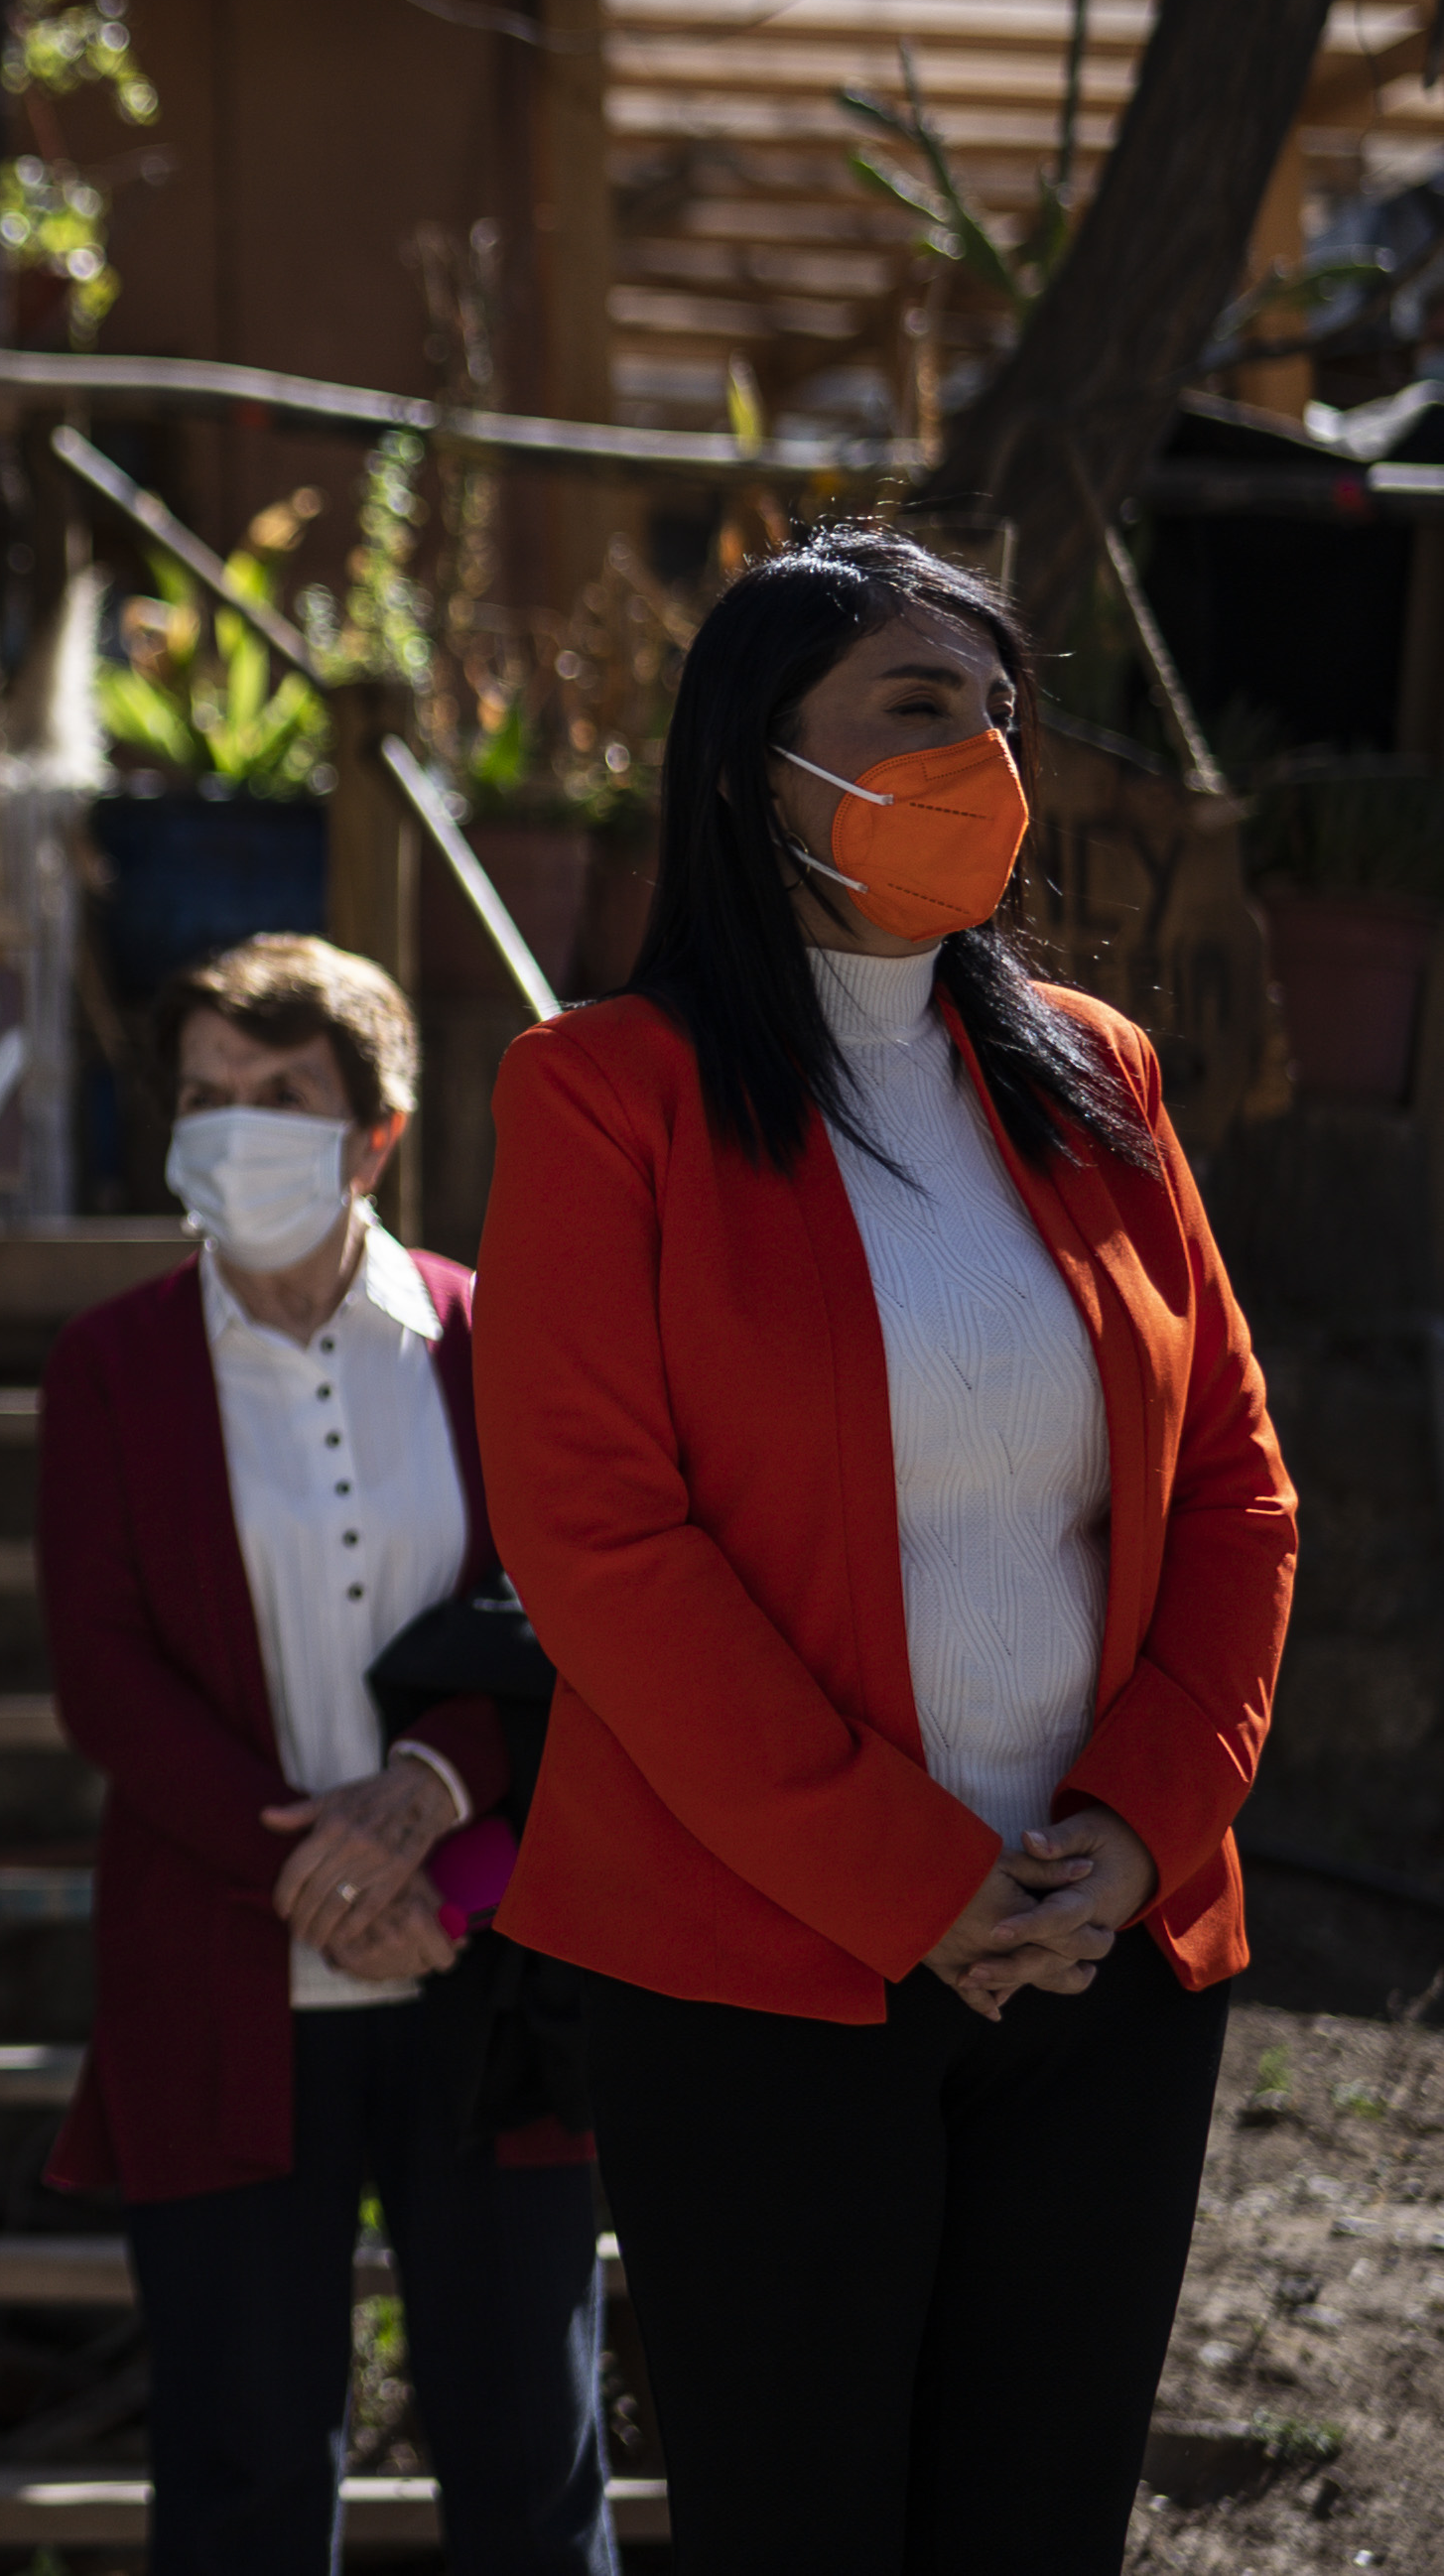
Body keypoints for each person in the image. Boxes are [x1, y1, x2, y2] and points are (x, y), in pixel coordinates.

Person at [477, 526, 1298, 2573]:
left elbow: (1230, 1487)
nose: (982, 754)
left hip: (1097, 1959)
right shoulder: (601, 1095)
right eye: (913, 706)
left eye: (993, 706)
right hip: (762, 1966)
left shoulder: (1093, 1076)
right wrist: (910, 1880)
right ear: (755, 763)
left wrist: (1131, 1832)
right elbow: (597, 1545)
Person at [38, 933, 611, 2576]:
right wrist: (314, 1867)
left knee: (528, 2466)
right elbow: (104, 1675)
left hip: (479, 1968)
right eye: (203, 1094)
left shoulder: (493, 1335)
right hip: (222, 1976)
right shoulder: (108, 1364)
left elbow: (558, 1606)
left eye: (276, 1093)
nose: (230, 1128)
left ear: (372, 1128)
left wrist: (419, 1798)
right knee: (238, 2481)